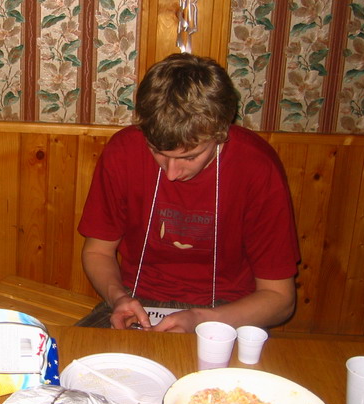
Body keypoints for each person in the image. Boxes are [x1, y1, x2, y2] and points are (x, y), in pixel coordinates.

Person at [77, 52, 299, 332]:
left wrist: (201, 320)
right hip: (138, 303)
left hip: (227, 313)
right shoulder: (123, 151)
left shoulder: (256, 166)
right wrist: (118, 298)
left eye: (190, 157)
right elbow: (98, 252)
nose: (171, 173)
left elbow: (280, 299)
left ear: (220, 133)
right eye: (158, 152)